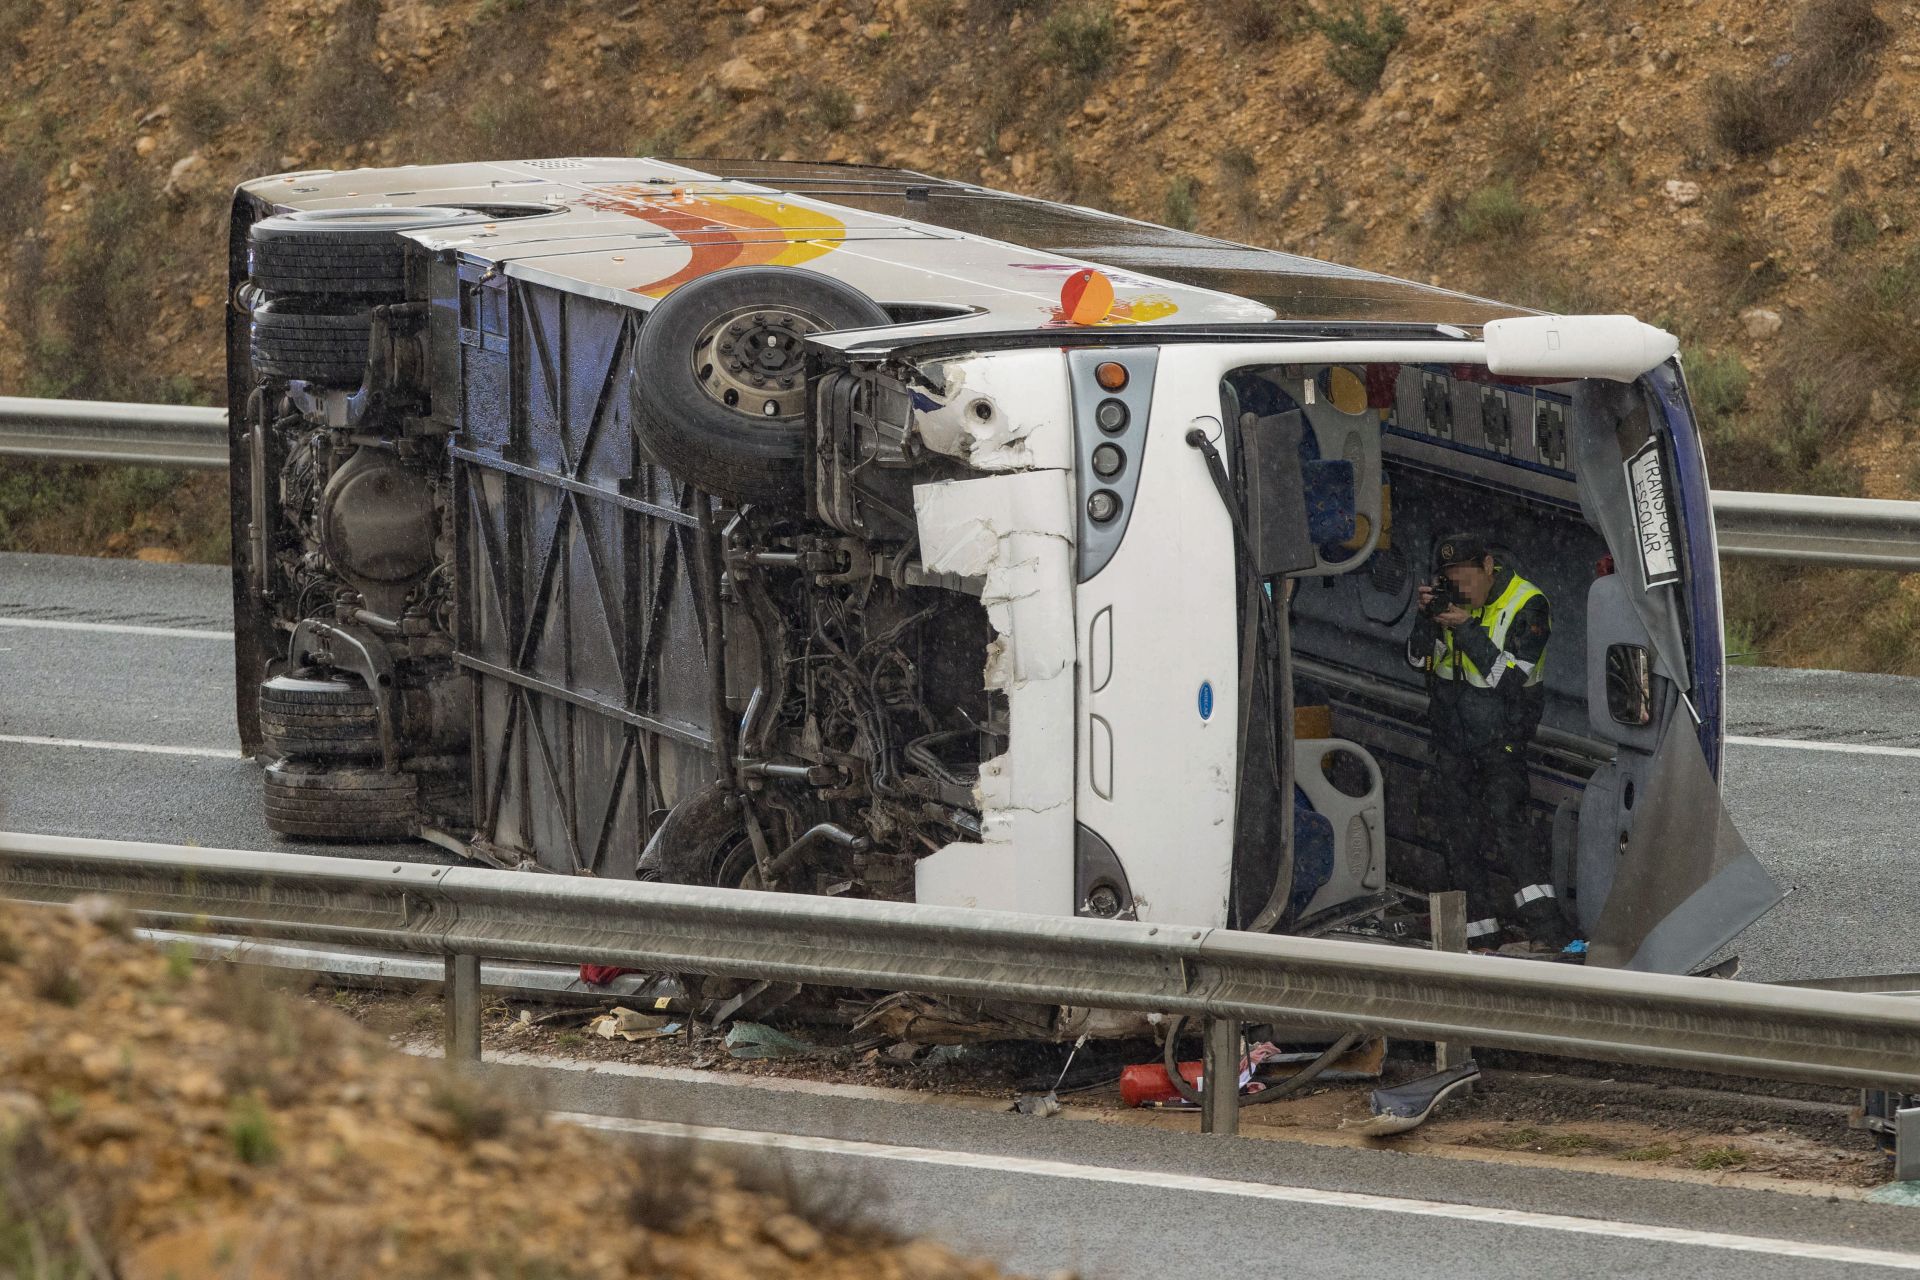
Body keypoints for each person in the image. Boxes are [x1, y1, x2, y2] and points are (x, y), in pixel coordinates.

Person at [1407, 532, 1571, 950]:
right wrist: (1425, 620)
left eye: (1466, 578)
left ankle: (1547, 932)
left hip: (1502, 737)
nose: (1459, 589)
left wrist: (1466, 630)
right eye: (1450, 580)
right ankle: (1479, 935)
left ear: (1487, 567)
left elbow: (1510, 680)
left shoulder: (1527, 604)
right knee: (1458, 833)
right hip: (1452, 735)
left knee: (1509, 826)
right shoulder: (1448, 604)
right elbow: (1415, 660)